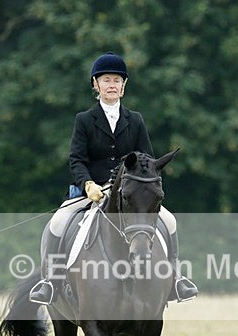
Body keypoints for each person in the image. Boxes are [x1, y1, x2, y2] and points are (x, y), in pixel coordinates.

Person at [29, 52, 198, 304]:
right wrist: (88, 184)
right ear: (96, 85)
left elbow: (146, 160)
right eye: (106, 80)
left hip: (129, 193)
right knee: (58, 221)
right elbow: (76, 159)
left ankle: (175, 278)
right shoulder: (84, 120)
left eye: (117, 80)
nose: (112, 85)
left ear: (124, 85)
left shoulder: (135, 120)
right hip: (92, 192)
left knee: (169, 221)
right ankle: (50, 282)